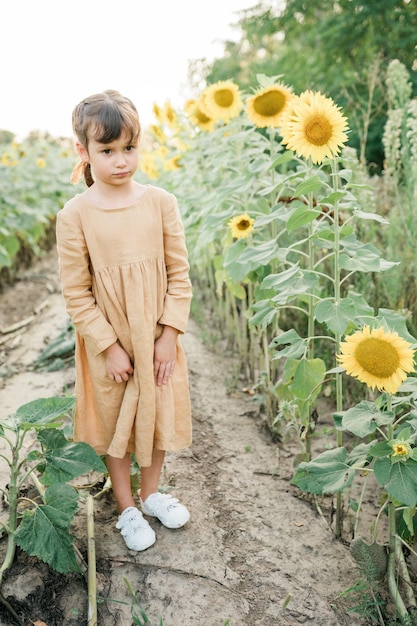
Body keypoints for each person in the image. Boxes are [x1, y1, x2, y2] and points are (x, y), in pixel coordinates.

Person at [56, 90, 193, 552]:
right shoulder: (74, 215)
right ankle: (126, 505)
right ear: (84, 152)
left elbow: (180, 274)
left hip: (155, 336)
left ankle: (152, 494)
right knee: (117, 422)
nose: (120, 161)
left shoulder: (160, 203)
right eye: (107, 151)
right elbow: (76, 291)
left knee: (153, 417)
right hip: (111, 344)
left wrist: (169, 335)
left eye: (129, 149)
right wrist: (109, 346)